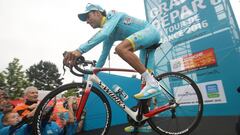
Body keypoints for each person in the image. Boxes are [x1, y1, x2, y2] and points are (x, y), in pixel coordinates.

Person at [63, 3, 161, 133]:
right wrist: (94, 73)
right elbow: (103, 56)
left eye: (88, 16)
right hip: (145, 45)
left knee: (121, 48)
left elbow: (103, 33)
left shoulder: (113, 16)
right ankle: (141, 119)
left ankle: (153, 82)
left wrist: (79, 50)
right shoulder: (109, 33)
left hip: (150, 32)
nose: (87, 21)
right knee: (145, 85)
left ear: (97, 13)